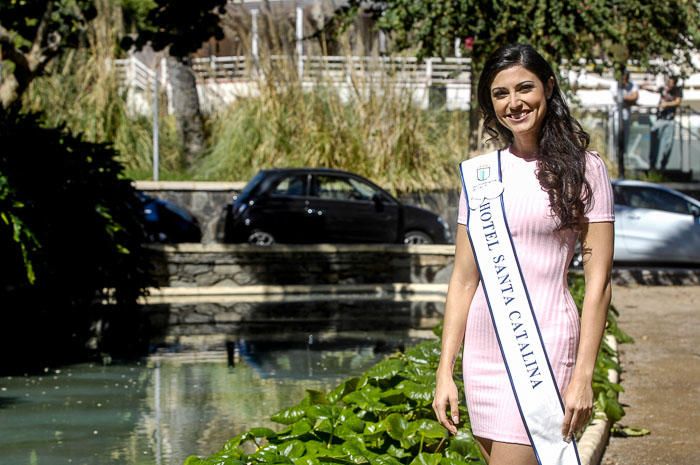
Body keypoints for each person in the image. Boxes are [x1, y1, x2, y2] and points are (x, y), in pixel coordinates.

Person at [432, 43, 614, 465]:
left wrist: (584, 375)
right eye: (500, 94)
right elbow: (463, 279)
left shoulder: (586, 169)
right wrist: (445, 371)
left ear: (548, 88)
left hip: (543, 347)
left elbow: (599, 282)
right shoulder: (479, 176)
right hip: (483, 352)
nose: (514, 103)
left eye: (525, 88)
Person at [642, 76, 683, 170]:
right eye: (669, 82)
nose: (669, 84)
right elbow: (653, 90)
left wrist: (667, 104)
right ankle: (652, 165)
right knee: (655, 142)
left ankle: (663, 165)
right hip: (659, 119)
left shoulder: (677, 91)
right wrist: (644, 87)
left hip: (670, 120)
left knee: (668, 145)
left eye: (671, 82)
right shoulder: (663, 89)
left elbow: (678, 102)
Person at [615, 70, 639, 157]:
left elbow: (635, 97)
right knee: (616, 135)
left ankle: (624, 155)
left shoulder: (632, 84)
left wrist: (626, 99)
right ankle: (615, 155)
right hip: (616, 115)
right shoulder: (615, 84)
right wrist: (629, 99)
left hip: (627, 114)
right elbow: (618, 98)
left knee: (625, 136)